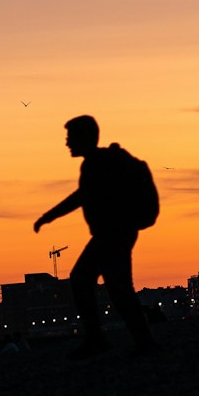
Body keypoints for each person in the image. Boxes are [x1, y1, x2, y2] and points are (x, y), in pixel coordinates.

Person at [34, 115, 158, 359]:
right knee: (117, 287)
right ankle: (140, 341)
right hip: (117, 232)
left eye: (70, 138)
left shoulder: (96, 164)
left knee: (87, 280)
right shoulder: (101, 162)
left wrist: (48, 216)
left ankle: (101, 340)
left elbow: (81, 197)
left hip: (112, 234)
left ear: (85, 138)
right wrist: (49, 217)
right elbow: (84, 195)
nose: (67, 143)